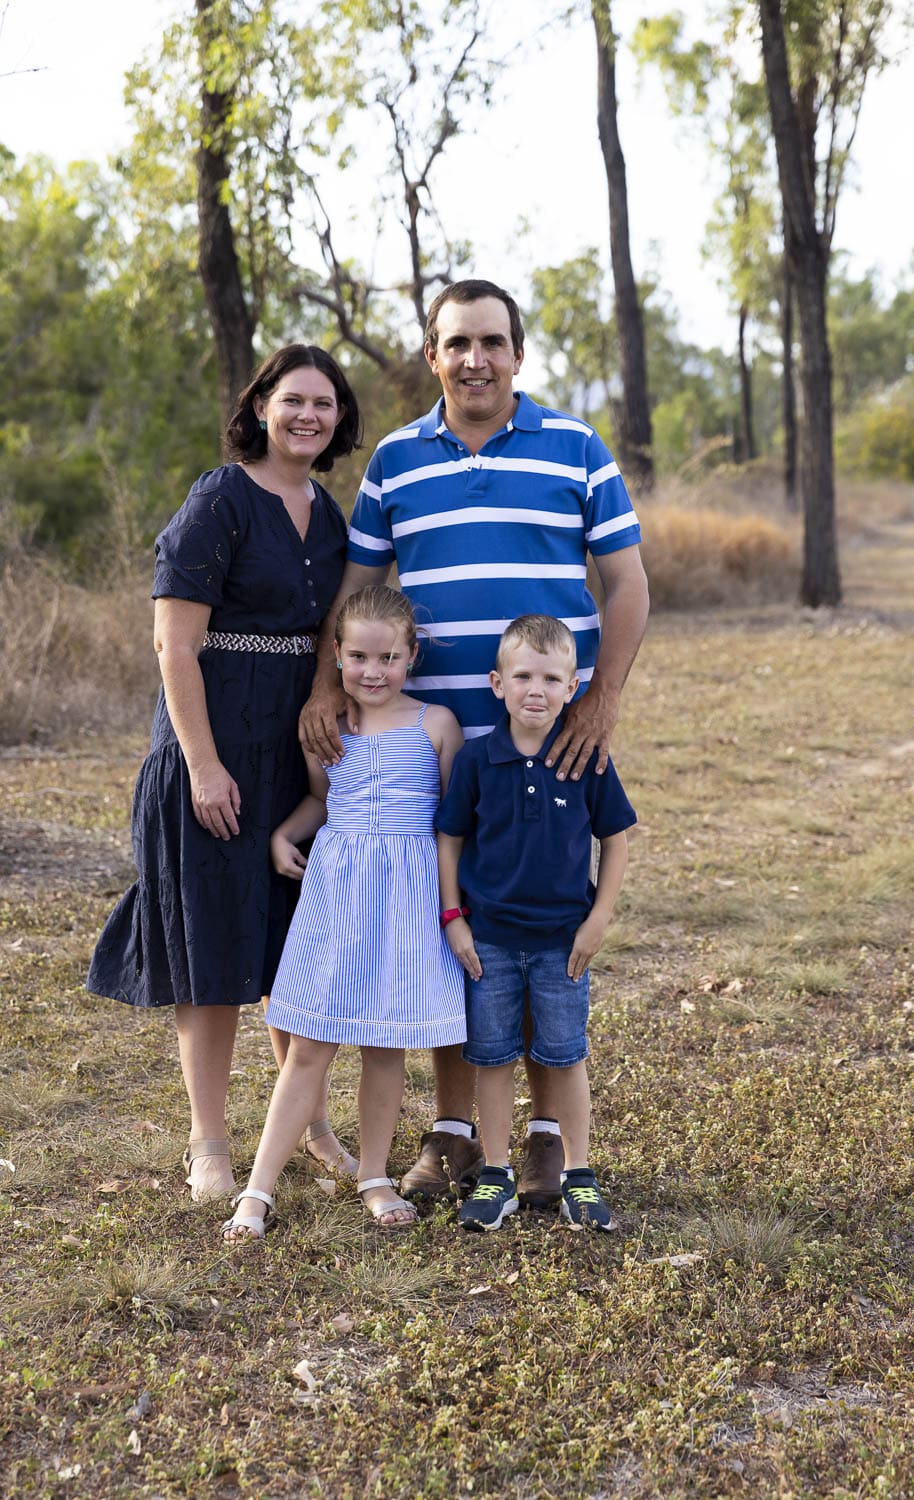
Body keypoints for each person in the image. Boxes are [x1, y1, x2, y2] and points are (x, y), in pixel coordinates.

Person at [298, 278, 649, 1206]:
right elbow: (358, 589)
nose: (476, 359)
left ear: (518, 354)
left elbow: (626, 583)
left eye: (492, 342)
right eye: (458, 343)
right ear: (433, 356)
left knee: (542, 929)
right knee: (455, 934)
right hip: (437, 748)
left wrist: (600, 702)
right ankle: (454, 1132)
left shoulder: (576, 447)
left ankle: (546, 1139)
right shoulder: (397, 461)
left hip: (550, 740)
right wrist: (328, 687)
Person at [88, 345, 364, 1201]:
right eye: (293, 400)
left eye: (324, 403)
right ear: (261, 407)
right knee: (210, 945)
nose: (308, 415)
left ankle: (308, 1124)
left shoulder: (330, 515)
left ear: (339, 420)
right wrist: (203, 766)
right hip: (212, 745)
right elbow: (174, 643)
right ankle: (208, 1142)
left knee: (294, 947)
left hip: (291, 750)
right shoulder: (221, 499)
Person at [221, 586, 466, 1239]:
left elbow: (454, 824)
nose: (373, 671)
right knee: (310, 1044)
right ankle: (258, 1189)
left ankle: (375, 1175)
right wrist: (284, 834)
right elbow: (322, 800)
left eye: (388, 658)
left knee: (385, 1045)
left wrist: (454, 905)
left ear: (412, 657)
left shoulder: (437, 725)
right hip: (339, 894)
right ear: (336, 654)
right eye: (358, 656)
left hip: (407, 900)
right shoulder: (327, 728)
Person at [436, 615, 635, 1232]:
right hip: (489, 942)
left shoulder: (586, 759)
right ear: (497, 683)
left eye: (551, 679)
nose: (536, 690)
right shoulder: (476, 760)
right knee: (493, 1056)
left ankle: (579, 1175)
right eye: (522, 676)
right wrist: (453, 917)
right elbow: (450, 839)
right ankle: (496, 1175)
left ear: (572, 687)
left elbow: (616, 839)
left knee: (565, 1056)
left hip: (562, 944)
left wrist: (599, 919)